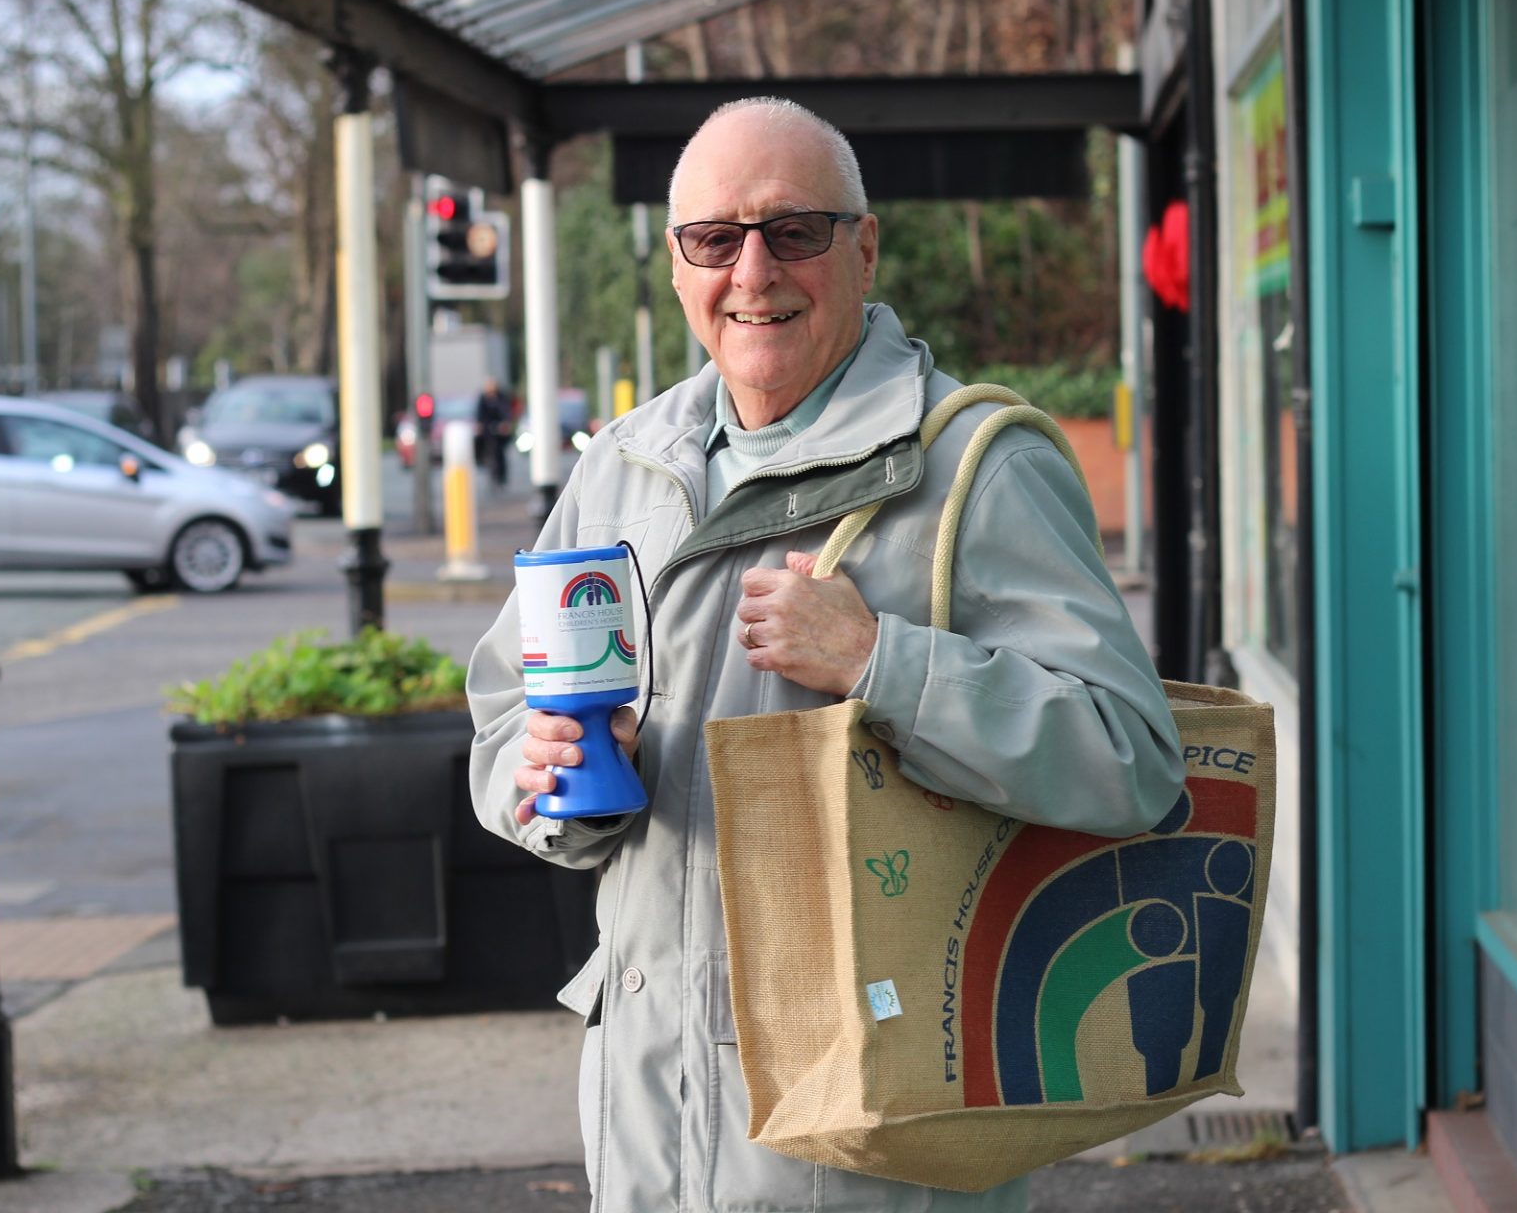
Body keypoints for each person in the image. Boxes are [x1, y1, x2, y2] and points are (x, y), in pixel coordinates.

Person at [466, 97, 1184, 1212]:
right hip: (649, 1128)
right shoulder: (620, 468)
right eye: (716, 239)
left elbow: (1130, 759)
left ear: (865, 246)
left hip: (870, 1148)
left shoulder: (976, 467)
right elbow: (507, 715)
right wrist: (558, 777)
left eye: (794, 230)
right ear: (676, 264)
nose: (754, 270)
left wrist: (881, 661)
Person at [474, 377, 512, 486]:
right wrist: (481, 426)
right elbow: (480, 414)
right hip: (488, 430)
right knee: (490, 451)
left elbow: (505, 412)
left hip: (500, 432)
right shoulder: (483, 399)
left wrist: (504, 424)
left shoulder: (501, 397)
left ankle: (501, 476)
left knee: (500, 453)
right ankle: (492, 474)